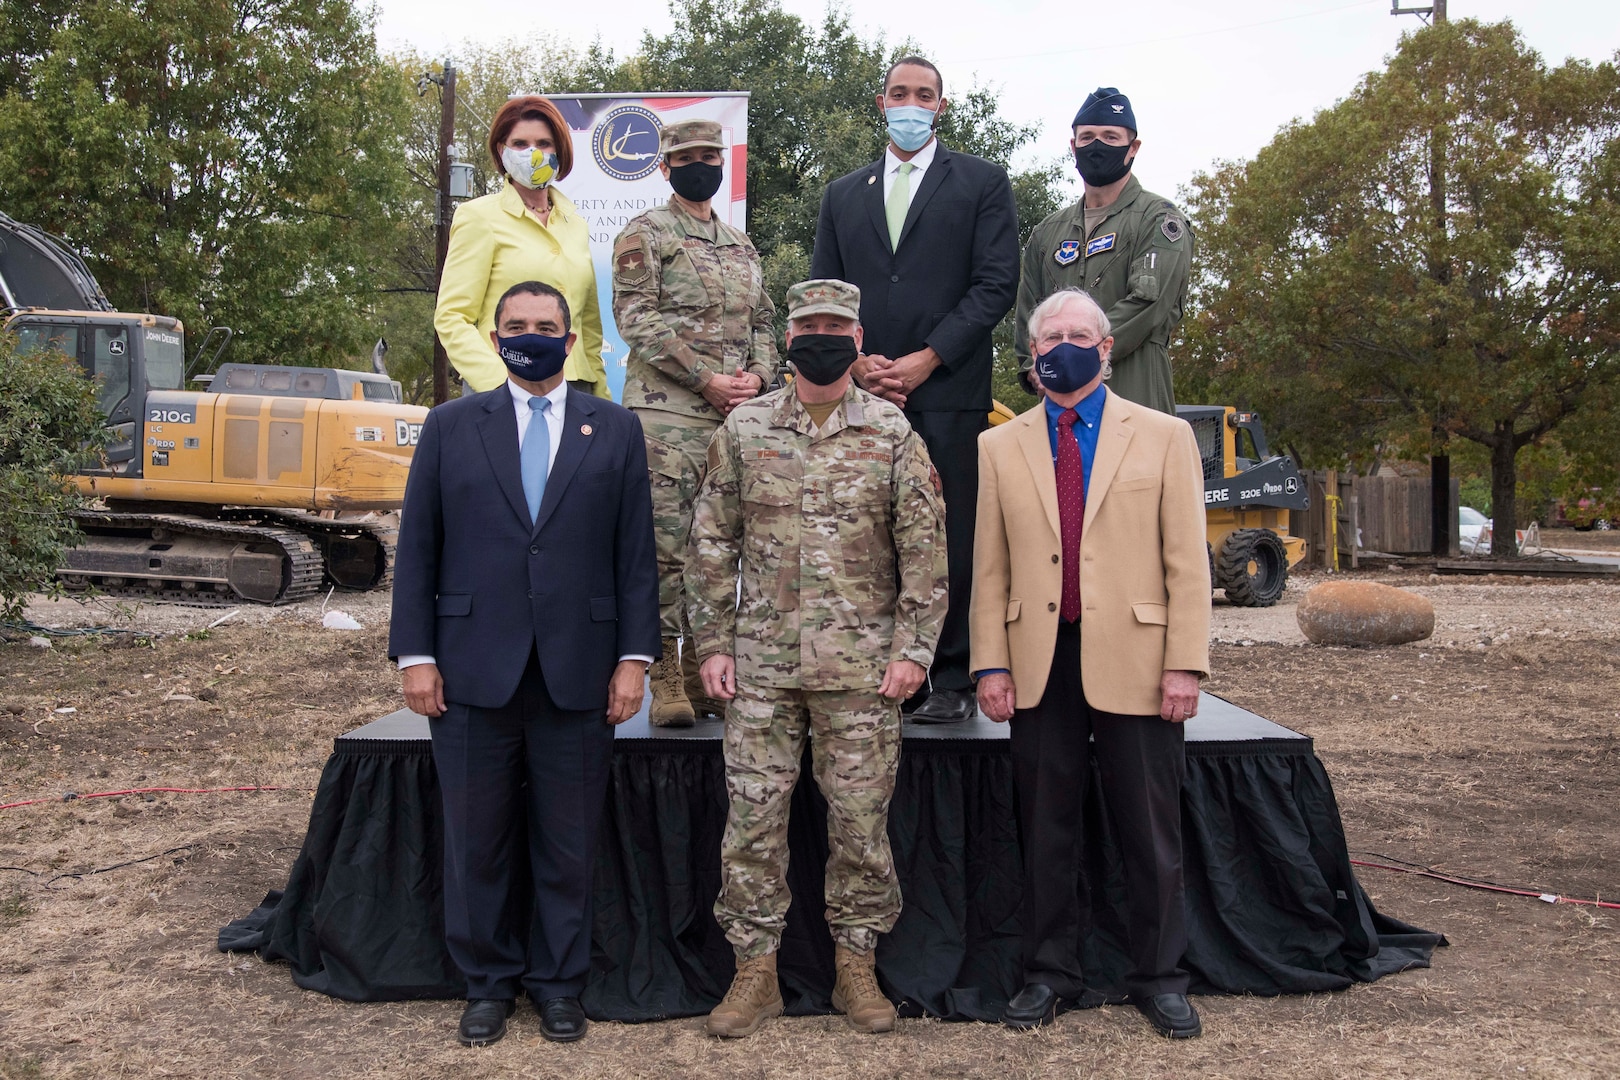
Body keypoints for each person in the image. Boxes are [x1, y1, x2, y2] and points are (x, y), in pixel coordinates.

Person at [389, 281, 659, 1047]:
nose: (530, 335)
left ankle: (559, 984)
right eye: (516, 326)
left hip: (581, 668)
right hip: (472, 668)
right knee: (477, 838)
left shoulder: (614, 429)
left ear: (571, 342)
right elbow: (419, 552)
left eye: (546, 326)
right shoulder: (449, 427)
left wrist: (634, 661)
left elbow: (635, 557)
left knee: (568, 840)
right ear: (496, 335)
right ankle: (487, 983)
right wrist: (416, 656)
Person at [686, 279, 948, 1038]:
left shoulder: (893, 434)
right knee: (752, 824)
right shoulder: (744, 430)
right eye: (810, 326)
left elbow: (924, 556)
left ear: (858, 340)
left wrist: (913, 653)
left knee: (861, 824)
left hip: (864, 672)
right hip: (761, 670)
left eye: (837, 326)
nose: (822, 336)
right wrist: (710, 645)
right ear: (789, 338)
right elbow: (710, 546)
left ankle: (856, 965)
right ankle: (755, 970)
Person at [970, 287, 1210, 1038]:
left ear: (1106, 351)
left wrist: (1185, 666)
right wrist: (990, 665)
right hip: (1039, 661)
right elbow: (990, 570)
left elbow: (1187, 565)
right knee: (1046, 830)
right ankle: (1050, 974)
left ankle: (1160, 976)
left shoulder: (1165, 436)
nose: (1062, 346)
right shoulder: (998, 446)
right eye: (1049, 337)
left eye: (1079, 334)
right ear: (1034, 353)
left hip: (1139, 659)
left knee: (1150, 829)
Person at [810, 55, 1019, 724]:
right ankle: (876, 667)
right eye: (899, 93)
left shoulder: (983, 183)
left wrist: (930, 358)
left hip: (949, 389)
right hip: (863, 393)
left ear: (941, 106)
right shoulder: (843, 193)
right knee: (867, 534)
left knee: (950, 536)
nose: (910, 103)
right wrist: (860, 359)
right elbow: (825, 293)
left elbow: (995, 285)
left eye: (923, 95)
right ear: (881, 102)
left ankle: (950, 674)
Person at [611, 118, 778, 726]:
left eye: (711, 156)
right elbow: (637, 319)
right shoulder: (646, 234)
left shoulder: (741, 244)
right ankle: (665, 674)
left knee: (721, 546)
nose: (700, 165)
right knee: (666, 548)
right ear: (665, 166)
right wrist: (706, 379)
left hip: (736, 419)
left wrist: (757, 380)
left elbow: (764, 320)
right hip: (668, 417)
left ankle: (710, 665)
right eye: (687, 157)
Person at [1014, 88, 1192, 416]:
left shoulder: (1159, 219)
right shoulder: (1047, 232)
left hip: (1135, 394)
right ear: (1073, 146)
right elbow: (1028, 311)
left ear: (1132, 147)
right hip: (1058, 404)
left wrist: (1076, 353)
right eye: (1088, 137)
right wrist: (1033, 366)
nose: (1097, 146)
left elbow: (1147, 305)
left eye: (1110, 137)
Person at [435, 95, 609, 397]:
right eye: (520, 144)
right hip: (502, 390)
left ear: (560, 150)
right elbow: (452, 317)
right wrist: (499, 383)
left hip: (574, 389)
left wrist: (600, 393)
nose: (534, 153)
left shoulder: (575, 224)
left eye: (544, 143)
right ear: (502, 150)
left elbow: (588, 325)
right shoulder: (478, 217)